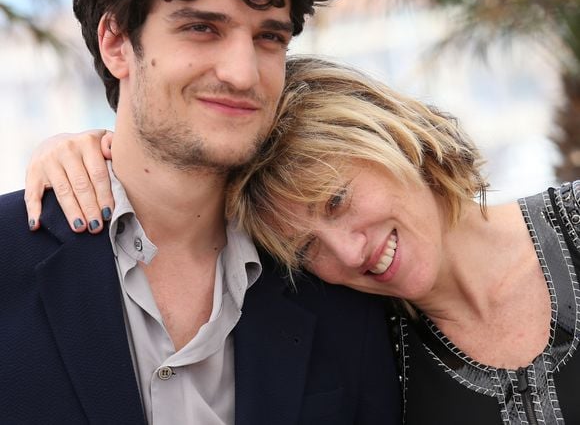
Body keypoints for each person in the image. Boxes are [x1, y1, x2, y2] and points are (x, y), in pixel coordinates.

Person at [0, 0, 401, 424]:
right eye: (202, 28)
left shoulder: (337, 282)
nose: (242, 74)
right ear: (117, 43)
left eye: (268, 37)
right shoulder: (9, 256)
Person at [26, 56, 580, 424]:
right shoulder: (357, 339)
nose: (348, 253)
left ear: (385, 135)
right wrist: (82, 150)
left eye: (337, 200)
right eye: (307, 250)